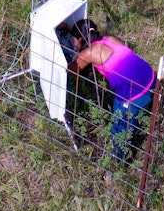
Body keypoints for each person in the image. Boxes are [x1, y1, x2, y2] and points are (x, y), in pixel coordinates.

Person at [64, 19, 155, 162]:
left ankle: (119, 161)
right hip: (151, 78)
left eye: (73, 39)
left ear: (80, 39)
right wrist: (70, 29)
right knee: (118, 103)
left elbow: (69, 71)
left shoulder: (90, 53)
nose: (73, 42)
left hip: (135, 94)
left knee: (119, 129)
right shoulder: (110, 39)